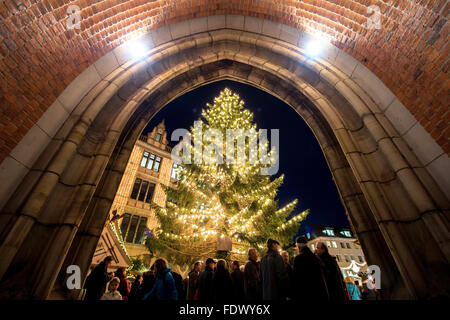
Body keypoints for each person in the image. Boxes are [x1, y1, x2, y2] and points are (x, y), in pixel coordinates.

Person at [293, 236, 329, 301]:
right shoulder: (315, 257)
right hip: (318, 292)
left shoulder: (298, 259)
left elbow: (296, 279)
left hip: (305, 293)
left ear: (298, 246)